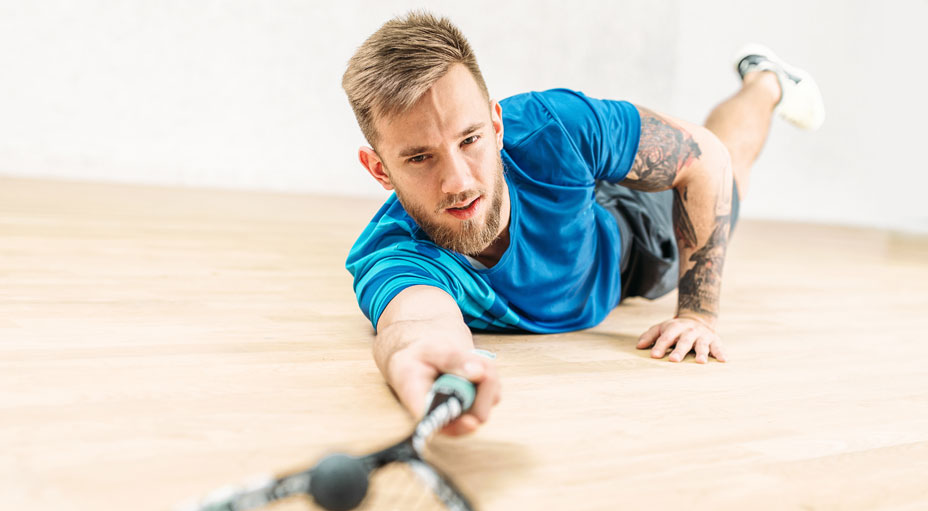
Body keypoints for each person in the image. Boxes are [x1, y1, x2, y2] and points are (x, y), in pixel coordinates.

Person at [341, 12, 824, 435]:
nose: (458, 181)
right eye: (421, 157)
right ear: (380, 169)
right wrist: (420, 364)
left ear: (497, 124)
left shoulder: (557, 126)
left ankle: (766, 81)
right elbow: (417, 325)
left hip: (626, 233)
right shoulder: (395, 256)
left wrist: (697, 315)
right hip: (582, 218)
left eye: (470, 140)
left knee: (730, 162)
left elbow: (707, 159)